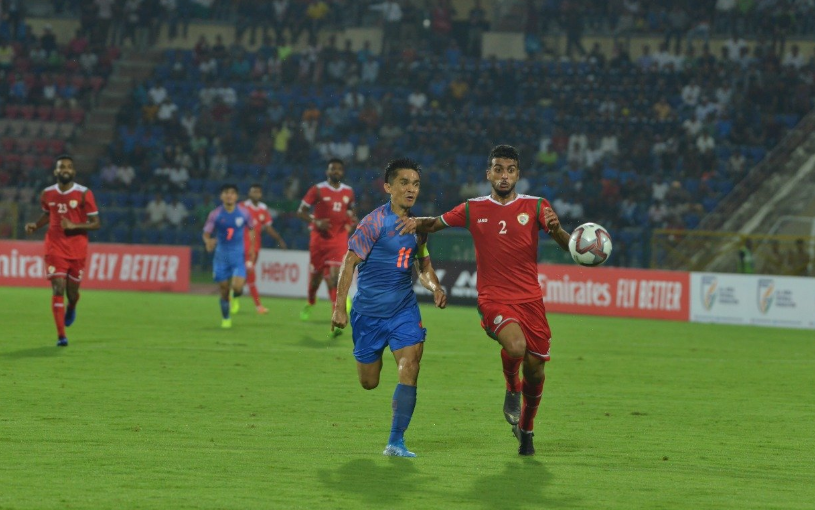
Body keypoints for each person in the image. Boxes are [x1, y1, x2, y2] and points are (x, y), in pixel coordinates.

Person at [396, 145, 570, 456]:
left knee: (536, 371)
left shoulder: (537, 206)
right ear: (488, 173)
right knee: (515, 346)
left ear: (518, 174)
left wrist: (559, 231)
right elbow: (434, 223)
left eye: (510, 170)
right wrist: (413, 222)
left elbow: (569, 247)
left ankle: (527, 431)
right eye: (498, 169)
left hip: (531, 302)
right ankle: (510, 387)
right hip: (493, 299)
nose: (504, 176)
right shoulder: (472, 208)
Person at [331, 158, 447, 457]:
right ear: (388, 187)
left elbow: (422, 265)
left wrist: (434, 287)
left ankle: (396, 441)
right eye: (404, 183)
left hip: (403, 310)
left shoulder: (417, 226)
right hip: (368, 314)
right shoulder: (373, 223)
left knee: (410, 367)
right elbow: (349, 261)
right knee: (369, 382)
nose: (411, 189)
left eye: (416, 184)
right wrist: (339, 307)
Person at [25, 155, 101, 346]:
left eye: (68, 167)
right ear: (56, 172)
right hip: (54, 247)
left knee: (72, 292)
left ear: (73, 172)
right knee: (57, 287)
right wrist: (36, 225)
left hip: (77, 249)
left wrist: (74, 226)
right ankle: (61, 335)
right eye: (61, 167)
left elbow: (96, 223)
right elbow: (47, 213)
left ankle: (72, 306)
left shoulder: (84, 193)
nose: (65, 169)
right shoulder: (47, 194)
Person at [296, 158, 356, 334]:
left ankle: (337, 318)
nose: (336, 171)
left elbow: (351, 211)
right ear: (327, 172)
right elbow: (301, 211)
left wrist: (349, 223)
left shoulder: (349, 192)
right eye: (332, 169)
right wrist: (316, 221)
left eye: (339, 169)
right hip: (319, 240)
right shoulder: (318, 190)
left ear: (342, 172)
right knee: (315, 279)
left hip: (338, 239)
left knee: (333, 276)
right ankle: (310, 301)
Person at [203, 184, 255, 329]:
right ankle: (226, 318)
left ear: (236, 197)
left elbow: (251, 229)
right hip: (221, 258)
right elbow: (206, 233)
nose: (229, 195)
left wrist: (251, 247)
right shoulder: (215, 214)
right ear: (222, 196)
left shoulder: (244, 213)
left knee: (238, 287)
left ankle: (236, 297)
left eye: (232, 193)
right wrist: (208, 241)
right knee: (224, 290)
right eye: (226, 193)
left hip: (238, 256)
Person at [234, 183, 289, 315]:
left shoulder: (263, 209)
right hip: (242, 247)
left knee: (246, 276)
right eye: (253, 192)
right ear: (249, 193)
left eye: (258, 192)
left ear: (261, 194)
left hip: (255, 248)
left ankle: (234, 296)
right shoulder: (242, 207)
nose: (256, 194)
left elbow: (268, 228)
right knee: (251, 275)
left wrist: (279, 239)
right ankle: (258, 306)